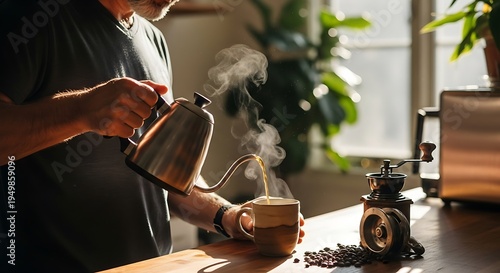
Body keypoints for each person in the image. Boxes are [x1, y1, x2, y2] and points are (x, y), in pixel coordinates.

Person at [0, 0, 305, 272]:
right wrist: (81, 111)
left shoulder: (153, 40)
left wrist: (229, 217)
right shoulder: (31, 18)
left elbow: (162, 177)